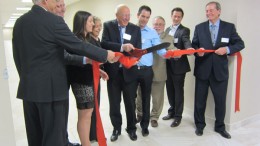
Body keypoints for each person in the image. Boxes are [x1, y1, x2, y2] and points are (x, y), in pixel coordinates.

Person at [12, 0, 116, 145]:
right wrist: (105, 54)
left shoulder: (20, 22)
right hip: (52, 92)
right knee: (54, 138)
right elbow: (78, 45)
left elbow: (17, 56)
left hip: (29, 91)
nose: (58, 4)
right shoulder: (54, 21)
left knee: (35, 138)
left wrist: (28, 79)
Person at [192, 1, 244, 139]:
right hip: (202, 70)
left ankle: (220, 127)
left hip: (220, 72)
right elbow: (194, 45)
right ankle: (199, 125)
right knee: (199, 101)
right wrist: (198, 52)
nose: (208, 13)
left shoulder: (229, 27)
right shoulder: (199, 27)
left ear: (219, 11)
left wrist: (227, 49)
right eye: (206, 11)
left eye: (211, 10)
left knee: (220, 102)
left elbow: (240, 43)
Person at [101, 4, 141, 141]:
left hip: (129, 71)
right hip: (113, 71)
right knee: (114, 102)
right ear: (116, 15)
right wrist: (121, 47)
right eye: (124, 15)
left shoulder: (135, 28)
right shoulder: (108, 26)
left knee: (130, 102)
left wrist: (134, 53)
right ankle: (116, 128)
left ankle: (131, 128)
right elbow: (104, 44)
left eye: (128, 15)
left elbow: (138, 49)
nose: (126, 17)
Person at [136, 16, 173, 128]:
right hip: (144, 71)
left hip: (159, 71)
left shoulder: (169, 38)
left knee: (157, 98)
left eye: (160, 24)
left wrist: (175, 54)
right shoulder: (145, 34)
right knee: (141, 95)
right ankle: (140, 114)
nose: (157, 26)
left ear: (164, 26)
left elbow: (172, 50)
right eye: (156, 24)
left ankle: (154, 117)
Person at [162, 7, 193, 127]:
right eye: (174, 16)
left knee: (178, 91)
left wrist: (189, 48)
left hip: (179, 66)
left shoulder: (184, 30)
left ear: (181, 18)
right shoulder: (167, 29)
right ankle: (172, 111)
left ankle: (178, 116)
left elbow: (186, 41)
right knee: (169, 89)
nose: (176, 18)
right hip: (167, 65)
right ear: (171, 16)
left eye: (178, 17)